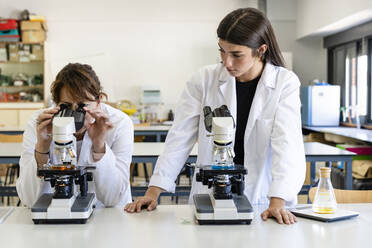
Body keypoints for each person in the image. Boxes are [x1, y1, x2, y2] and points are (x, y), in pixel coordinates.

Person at [125, 8, 306, 224]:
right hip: (210, 195)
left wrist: (277, 202)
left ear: (261, 50)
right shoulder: (203, 80)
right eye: (222, 51)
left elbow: (286, 145)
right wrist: (153, 191)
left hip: (263, 201)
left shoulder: (284, 83)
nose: (226, 62)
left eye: (236, 54)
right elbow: (179, 138)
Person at [16, 63, 134, 208]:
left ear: (98, 101)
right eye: (65, 106)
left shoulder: (119, 123)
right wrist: (42, 148)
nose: (74, 115)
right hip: (57, 213)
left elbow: (113, 198)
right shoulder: (40, 123)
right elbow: (29, 198)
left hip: (107, 215)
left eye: (82, 106)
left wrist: (99, 146)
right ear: (56, 103)